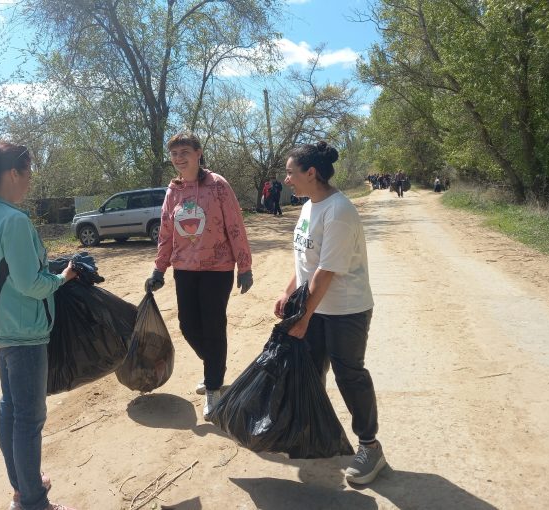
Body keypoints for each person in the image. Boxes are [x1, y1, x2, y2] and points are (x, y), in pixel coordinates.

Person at [0, 142, 78, 510]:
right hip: (24, 331)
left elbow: (4, 272)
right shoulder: (14, 220)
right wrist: (64, 277)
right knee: (29, 417)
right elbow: (31, 284)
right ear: (14, 173)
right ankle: (32, 501)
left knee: (10, 408)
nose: (30, 181)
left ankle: (22, 486)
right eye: (28, 172)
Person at [274, 141, 385, 485]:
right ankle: (316, 432)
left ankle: (370, 447)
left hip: (346, 310)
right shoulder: (310, 206)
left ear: (311, 173)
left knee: (349, 375)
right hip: (315, 306)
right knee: (309, 371)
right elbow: (306, 261)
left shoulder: (338, 210)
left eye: (291, 172)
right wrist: (288, 290)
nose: (287, 179)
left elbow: (325, 272)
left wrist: (304, 316)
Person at [145, 131, 253, 421]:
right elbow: (166, 233)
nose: (179, 159)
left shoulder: (218, 185)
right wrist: (159, 268)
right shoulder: (174, 191)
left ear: (198, 153)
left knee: (213, 326)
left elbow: (235, 226)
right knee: (188, 325)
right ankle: (214, 366)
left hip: (217, 269)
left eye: (185, 153)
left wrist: (245, 265)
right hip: (185, 268)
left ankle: (214, 387)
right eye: (175, 154)